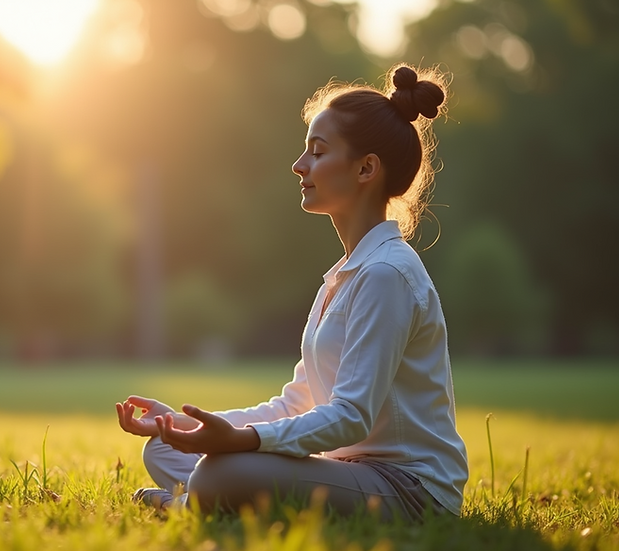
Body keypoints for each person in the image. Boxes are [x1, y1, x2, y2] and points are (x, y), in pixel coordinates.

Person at [115, 64, 468, 522]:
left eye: (317, 153)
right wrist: (188, 425)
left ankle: (192, 501)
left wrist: (239, 442)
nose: (299, 165)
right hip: (346, 471)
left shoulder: (387, 274)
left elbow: (350, 418)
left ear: (366, 168)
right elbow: (296, 404)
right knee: (165, 449)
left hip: (408, 490)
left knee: (217, 474)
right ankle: (203, 495)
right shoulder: (343, 275)